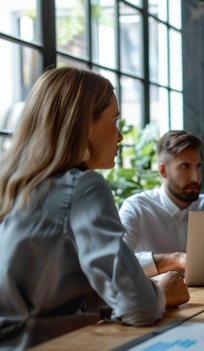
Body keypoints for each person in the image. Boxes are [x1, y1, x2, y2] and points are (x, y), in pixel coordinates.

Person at [0, 67, 190, 350]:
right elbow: (140, 307)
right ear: (85, 125)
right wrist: (161, 294)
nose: (121, 137)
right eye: (114, 121)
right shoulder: (82, 186)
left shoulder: (16, 188)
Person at [120, 130, 204, 277]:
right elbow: (117, 262)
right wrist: (175, 260)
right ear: (163, 171)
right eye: (185, 167)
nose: (196, 177)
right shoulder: (136, 208)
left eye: (198, 166)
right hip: (158, 298)